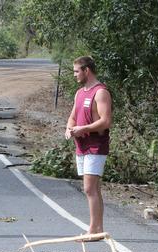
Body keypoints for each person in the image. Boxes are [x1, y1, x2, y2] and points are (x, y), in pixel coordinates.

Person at [65, 56, 113, 235]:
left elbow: (106, 121)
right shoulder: (79, 93)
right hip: (81, 146)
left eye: (77, 71)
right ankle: (98, 228)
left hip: (96, 146)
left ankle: (93, 229)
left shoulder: (100, 92)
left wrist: (84, 128)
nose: (75, 75)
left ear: (87, 70)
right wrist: (69, 128)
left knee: (89, 188)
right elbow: (72, 116)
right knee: (94, 188)